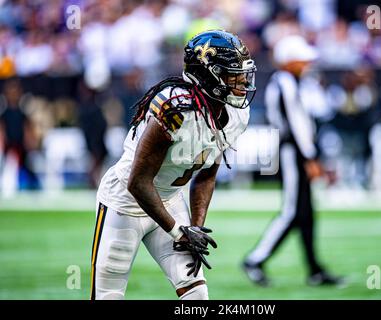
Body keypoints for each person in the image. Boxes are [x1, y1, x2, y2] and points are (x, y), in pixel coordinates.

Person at [91, 30, 257, 300]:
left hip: (169, 201)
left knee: (196, 295)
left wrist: (196, 228)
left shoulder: (236, 113)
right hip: (124, 202)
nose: (241, 82)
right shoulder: (175, 108)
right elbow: (138, 181)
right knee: (108, 295)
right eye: (232, 74)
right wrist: (177, 231)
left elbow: (206, 176)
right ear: (208, 75)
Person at [242, 35, 343, 287]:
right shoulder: (285, 82)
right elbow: (296, 123)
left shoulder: (294, 82)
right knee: (291, 212)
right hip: (292, 152)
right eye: (301, 58)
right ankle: (255, 260)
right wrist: (310, 157)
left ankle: (314, 270)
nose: (306, 62)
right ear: (289, 60)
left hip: (297, 150)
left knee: (306, 214)